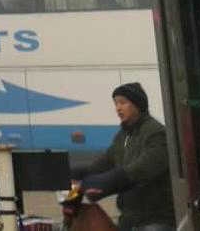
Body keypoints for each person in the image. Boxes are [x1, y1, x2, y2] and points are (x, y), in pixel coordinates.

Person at [70, 82, 174, 231]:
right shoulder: (123, 136)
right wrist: (77, 173)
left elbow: (141, 169)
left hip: (156, 219)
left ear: (138, 105)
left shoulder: (156, 133)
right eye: (116, 103)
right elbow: (103, 164)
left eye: (123, 103)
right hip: (129, 219)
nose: (118, 108)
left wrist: (107, 181)